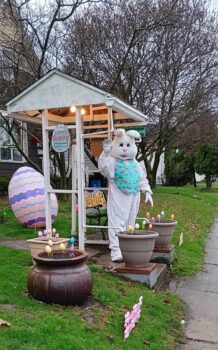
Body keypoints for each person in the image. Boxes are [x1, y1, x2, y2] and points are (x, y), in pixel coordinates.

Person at [98, 128, 153, 262]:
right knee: (117, 222)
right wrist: (105, 154)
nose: (124, 149)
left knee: (130, 222)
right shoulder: (112, 160)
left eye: (128, 145)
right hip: (118, 196)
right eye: (121, 145)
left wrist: (147, 191)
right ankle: (116, 250)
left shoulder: (134, 163)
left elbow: (142, 178)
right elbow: (104, 169)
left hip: (133, 196)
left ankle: (127, 247)